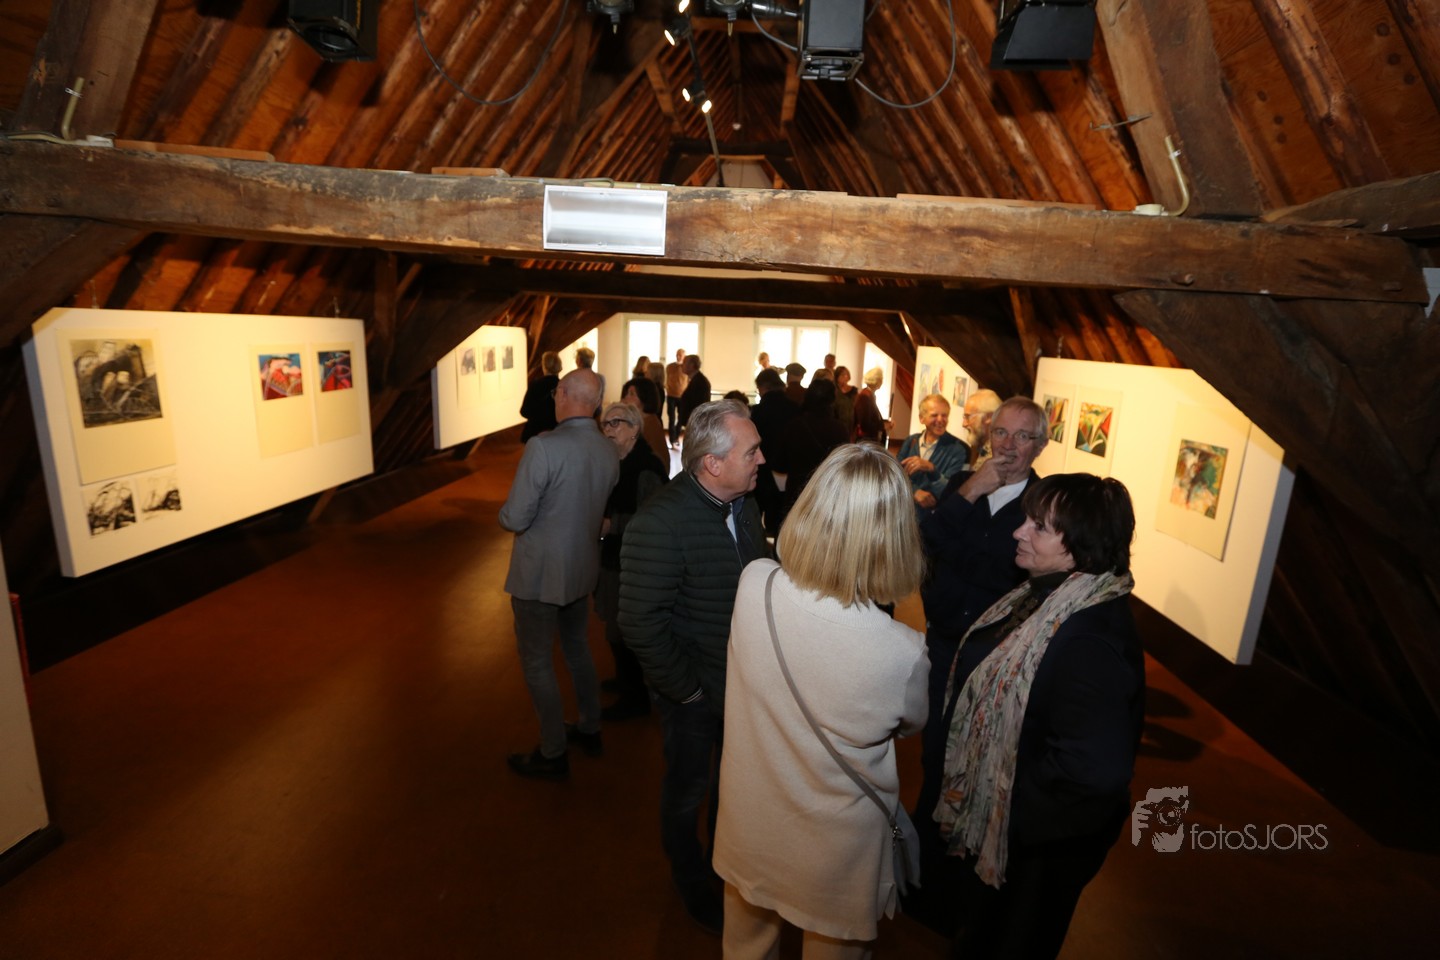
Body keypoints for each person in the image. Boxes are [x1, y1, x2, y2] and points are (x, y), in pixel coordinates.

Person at [714, 443, 928, 959]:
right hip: (837, 844)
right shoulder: (902, 650)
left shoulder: (755, 583)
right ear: (894, 536)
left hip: (752, 818)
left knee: (744, 947)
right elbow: (909, 725)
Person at [935, 473, 1143, 959]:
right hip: (1015, 830)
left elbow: (1093, 772)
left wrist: (1011, 808)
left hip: (1041, 844)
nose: (1018, 531)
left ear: (1081, 545)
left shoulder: (1090, 638)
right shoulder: (1045, 595)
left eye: (1039, 527)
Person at [619, 399, 769, 935]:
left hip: (743, 685)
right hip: (695, 695)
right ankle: (690, 879)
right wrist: (687, 693)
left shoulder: (743, 503)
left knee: (734, 786)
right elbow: (639, 623)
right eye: (751, 451)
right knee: (688, 790)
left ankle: (722, 866)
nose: (761, 459)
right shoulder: (660, 522)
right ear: (713, 463)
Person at [908, 396, 1049, 930]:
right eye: (1001, 433)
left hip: (996, 655)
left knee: (977, 766)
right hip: (945, 641)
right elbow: (927, 540)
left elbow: (1020, 577)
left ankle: (959, 889)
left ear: (1041, 445)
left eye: (1022, 436)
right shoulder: (966, 484)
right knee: (935, 755)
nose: (1008, 446)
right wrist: (970, 493)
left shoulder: (1044, 503)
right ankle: (920, 878)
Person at [498, 369, 620, 780]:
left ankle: (552, 752)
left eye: (556, 392)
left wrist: (503, 513)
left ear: (563, 394)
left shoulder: (543, 446)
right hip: (581, 569)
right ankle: (590, 726)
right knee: (577, 649)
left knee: (536, 661)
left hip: (540, 574)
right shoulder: (607, 448)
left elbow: (516, 517)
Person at [596, 401, 668, 721]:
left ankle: (635, 698)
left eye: (616, 423)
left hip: (634, 563)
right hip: (615, 556)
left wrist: (613, 524)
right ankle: (626, 682)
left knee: (625, 631)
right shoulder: (615, 463)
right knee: (615, 626)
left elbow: (654, 521)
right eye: (605, 424)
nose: (609, 429)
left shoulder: (646, 468)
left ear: (635, 429)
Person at [772, 378, 848, 522]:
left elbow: (779, 465)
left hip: (798, 494)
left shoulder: (794, 426)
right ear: (832, 401)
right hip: (828, 495)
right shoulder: (840, 429)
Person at [897, 394, 970, 513]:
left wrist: (932, 470)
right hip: (903, 513)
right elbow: (895, 475)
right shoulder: (911, 441)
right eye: (934, 415)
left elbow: (952, 491)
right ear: (921, 418)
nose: (940, 420)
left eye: (944, 415)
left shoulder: (958, 449)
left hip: (933, 518)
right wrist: (914, 491)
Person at [749, 368, 798, 537]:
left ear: (763, 387)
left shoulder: (758, 411)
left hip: (762, 468)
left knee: (756, 517)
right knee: (781, 520)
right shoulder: (794, 408)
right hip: (787, 468)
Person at [519, 351, 563, 442]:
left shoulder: (535, 385)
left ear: (544, 366)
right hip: (557, 433)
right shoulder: (563, 386)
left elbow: (524, 411)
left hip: (535, 433)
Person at [622, 376, 668, 461]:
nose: (625, 398)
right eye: (626, 393)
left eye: (631, 394)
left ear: (644, 398)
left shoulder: (650, 424)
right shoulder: (640, 421)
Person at [961, 388, 1002, 471]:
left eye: (968, 417)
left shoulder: (998, 456)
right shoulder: (982, 449)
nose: (964, 424)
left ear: (988, 417)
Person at [677, 354, 712, 440]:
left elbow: (698, 405)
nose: (682, 365)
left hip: (696, 424)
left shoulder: (700, 382)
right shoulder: (696, 380)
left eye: (684, 363)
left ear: (692, 365)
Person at [853, 367, 887, 443]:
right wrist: (881, 426)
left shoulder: (869, 395)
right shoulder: (865, 396)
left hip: (868, 438)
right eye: (880, 379)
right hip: (866, 440)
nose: (882, 382)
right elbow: (865, 423)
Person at [666, 349, 689, 446]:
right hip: (671, 396)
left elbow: (688, 381)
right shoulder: (670, 367)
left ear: (684, 356)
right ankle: (672, 440)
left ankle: (676, 437)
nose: (678, 356)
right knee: (671, 419)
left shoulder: (686, 368)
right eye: (677, 355)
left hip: (682, 397)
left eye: (680, 355)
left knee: (681, 419)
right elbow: (667, 379)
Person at [575, 346, 605, 415]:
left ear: (579, 361)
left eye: (576, 358)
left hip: (580, 414)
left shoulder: (574, 378)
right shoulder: (600, 377)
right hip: (597, 414)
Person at [833, 365, 858, 436]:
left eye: (846, 374)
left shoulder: (853, 390)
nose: (844, 376)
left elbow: (856, 405)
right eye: (842, 374)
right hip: (837, 420)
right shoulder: (834, 390)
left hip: (851, 420)